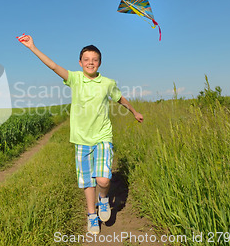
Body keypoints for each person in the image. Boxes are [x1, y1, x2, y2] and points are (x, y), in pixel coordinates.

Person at [17, 34, 143, 234]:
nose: (90, 63)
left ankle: (104, 200)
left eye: (94, 60)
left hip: (102, 136)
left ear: (99, 63)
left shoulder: (108, 83)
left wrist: (134, 112)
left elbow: (120, 98)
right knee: (87, 181)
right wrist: (32, 47)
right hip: (81, 140)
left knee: (103, 180)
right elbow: (53, 66)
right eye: (86, 60)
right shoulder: (74, 78)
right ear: (80, 62)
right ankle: (91, 215)